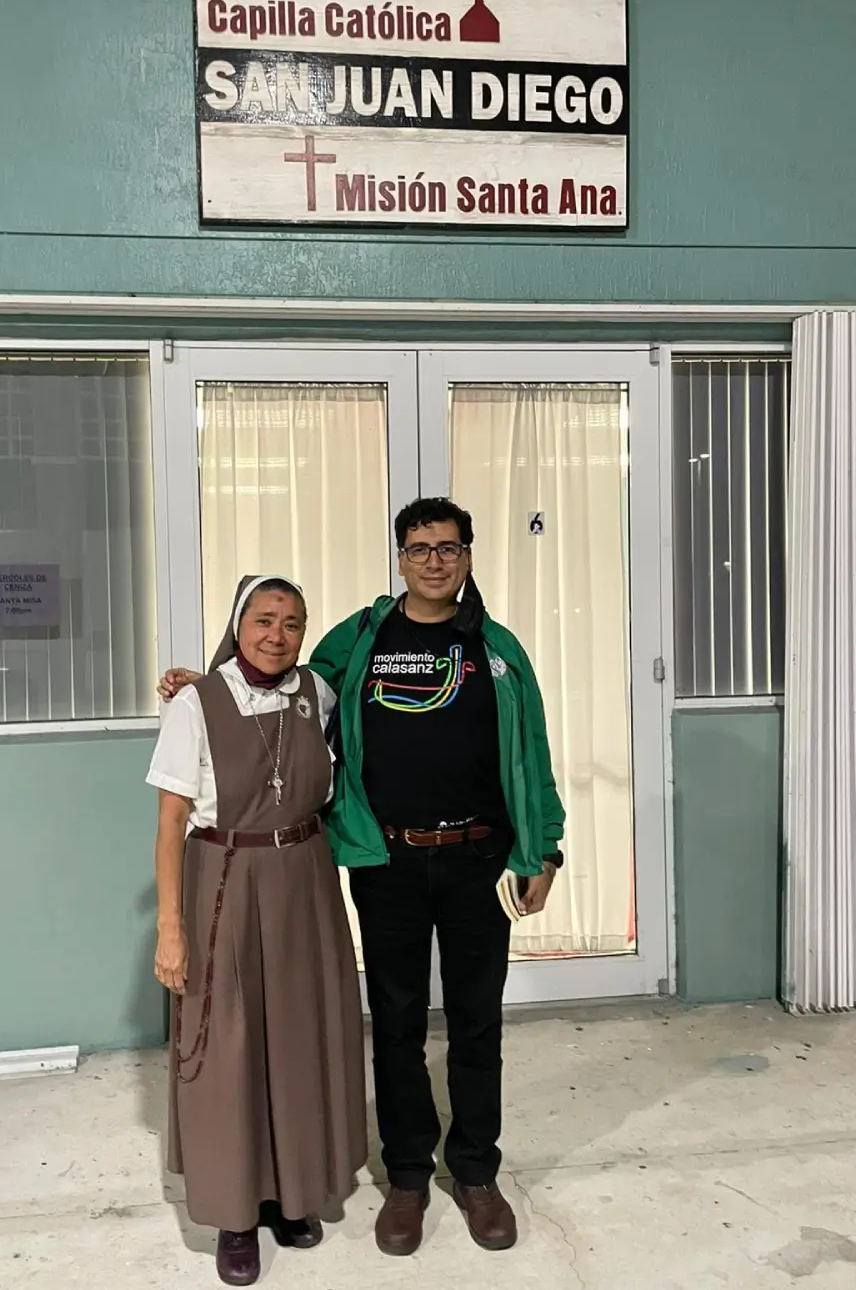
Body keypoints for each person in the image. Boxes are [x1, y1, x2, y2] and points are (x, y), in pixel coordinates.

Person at [159, 498, 565, 1258]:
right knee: (399, 1027)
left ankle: (476, 1172)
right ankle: (408, 1175)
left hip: (481, 860)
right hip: (389, 864)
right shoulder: (364, 638)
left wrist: (544, 848)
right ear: (401, 556)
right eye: (419, 547)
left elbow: (532, 752)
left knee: (478, 1025)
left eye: (448, 547)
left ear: (468, 555)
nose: (434, 560)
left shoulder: (499, 651)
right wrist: (205, 682)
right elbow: (279, 675)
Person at [148, 575, 367, 1287]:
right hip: (226, 881)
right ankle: (235, 1213)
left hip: (305, 881)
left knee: (297, 1038)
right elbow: (172, 823)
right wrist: (171, 930)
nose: (278, 634)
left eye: (294, 622)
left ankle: (289, 1193)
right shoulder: (196, 703)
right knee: (228, 1046)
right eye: (265, 619)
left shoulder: (316, 695)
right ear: (239, 624)